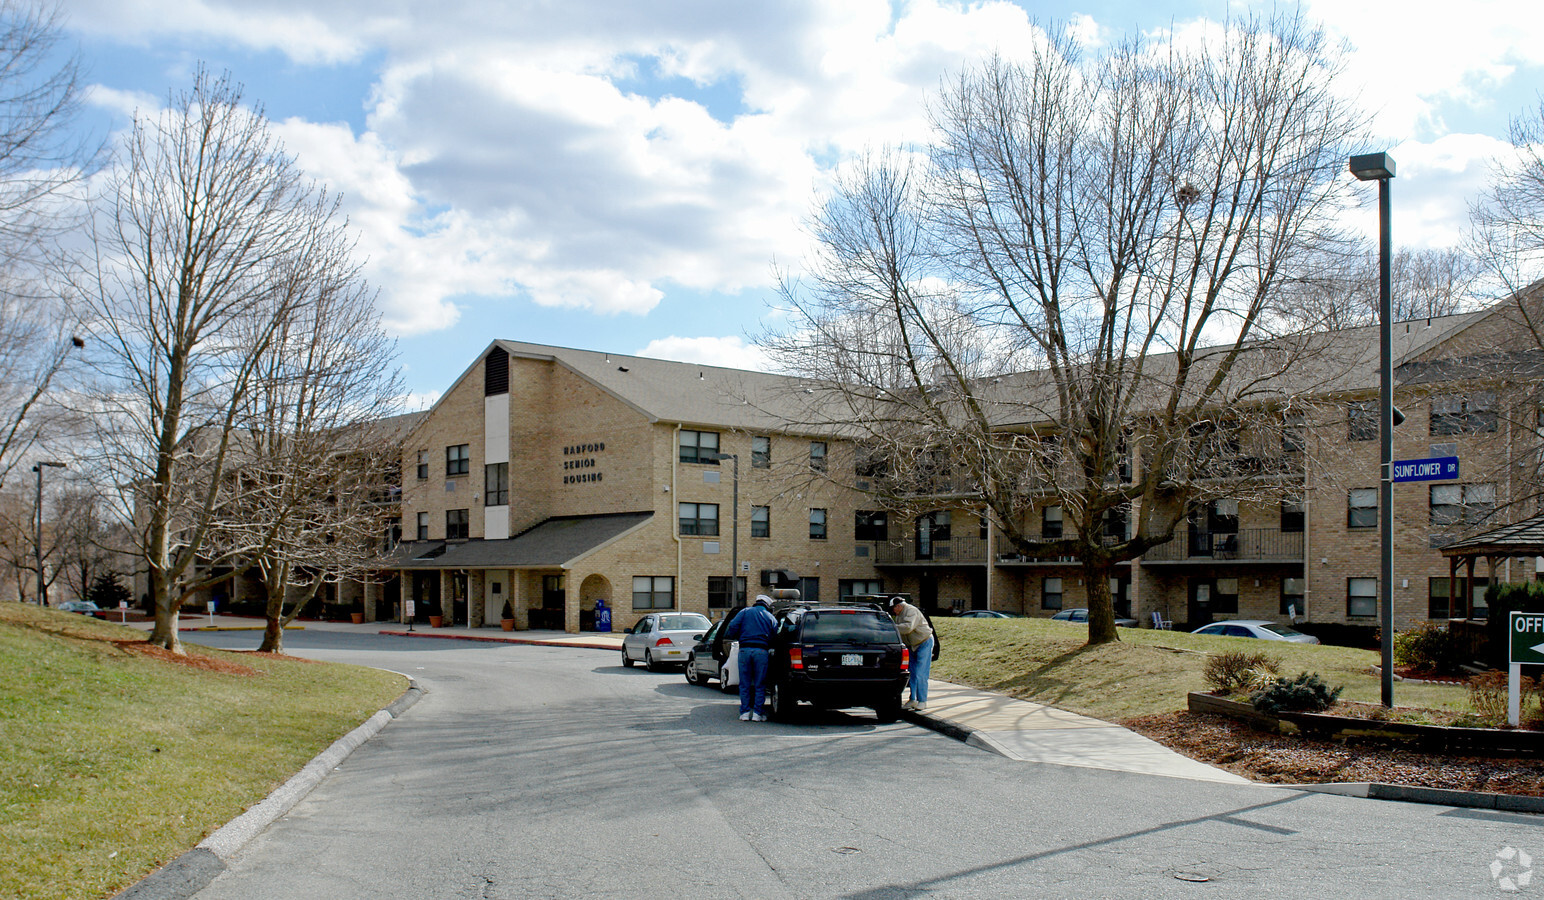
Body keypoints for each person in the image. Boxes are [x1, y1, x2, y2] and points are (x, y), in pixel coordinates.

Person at [724, 594, 777, 721]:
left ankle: (745, 713)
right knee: (760, 684)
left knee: (745, 683)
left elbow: (732, 625)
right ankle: (757, 714)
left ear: (756, 602)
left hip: (744, 650)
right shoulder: (770, 617)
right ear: (767, 605)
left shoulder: (744, 612)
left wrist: (736, 636)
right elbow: (775, 633)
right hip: (761, 651)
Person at [888, 595, 934, 710]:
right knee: (911, 673)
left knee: (920, 673)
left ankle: (922, 701)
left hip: (924, 642)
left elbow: (908, 628)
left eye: (893, 609)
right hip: (911, 646)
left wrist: (892, 627)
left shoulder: (911, 611)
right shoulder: (899, 615)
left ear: (898, 606)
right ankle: (912, 699)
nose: (893, 612)